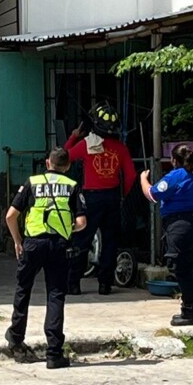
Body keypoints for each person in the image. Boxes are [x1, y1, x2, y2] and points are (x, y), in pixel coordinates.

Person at [5, 146, 87, 369]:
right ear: (68, 166)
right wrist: (64, 228)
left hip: (32, 244)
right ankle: (54, 353)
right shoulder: (72, 186)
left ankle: (16, 337)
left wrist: (17, 241)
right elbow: (82, 223)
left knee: (23, 289)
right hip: (59, 246)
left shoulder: (32, 182)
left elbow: (10, 216)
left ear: (47, 163)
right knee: (56, 294)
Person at [140, 144, 193, 327]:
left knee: (182, 267)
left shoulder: (175, 176)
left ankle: (189, 310)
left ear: (174, 160)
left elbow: (152, 195)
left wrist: (143, 179)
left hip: (179, 225)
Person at [64, 103, 137, 296]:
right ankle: (105, 284)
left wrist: (73, 137)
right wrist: (122, 195)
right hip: (112, 197)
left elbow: (64, 157)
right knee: (111, 241)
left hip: (91, 198)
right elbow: (130, 176)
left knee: (82, 240)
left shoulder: (87, 144)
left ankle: (73, 284)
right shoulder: (120, 148)